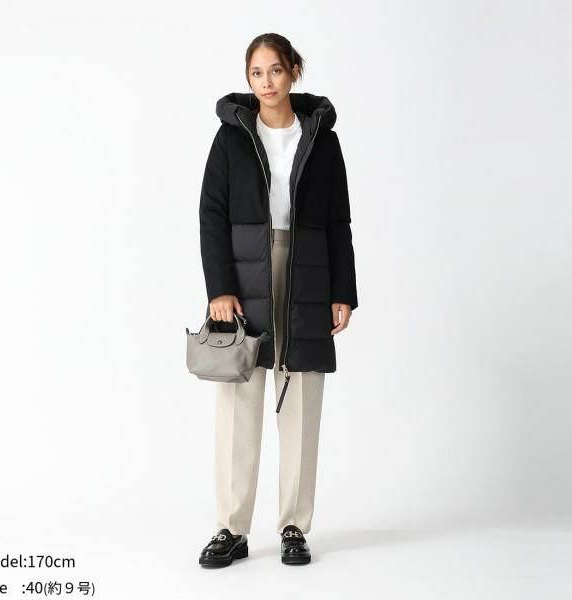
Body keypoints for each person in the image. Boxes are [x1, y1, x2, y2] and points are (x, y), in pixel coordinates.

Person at [197, 33, 358, 568]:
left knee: (301, 397)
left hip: (307, 270)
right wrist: (220, 287)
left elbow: (338, 220)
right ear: (248, 78)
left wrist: (342, 291)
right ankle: (231, 528)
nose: (266, 82)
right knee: (239, 397)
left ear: (293, 71)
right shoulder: (231, 137)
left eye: (275, 70)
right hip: (245, 273)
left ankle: (294, 525)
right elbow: (211, 214)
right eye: (256, 73)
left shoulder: (322, 140)